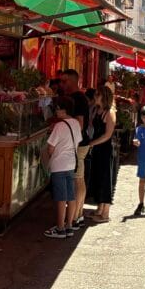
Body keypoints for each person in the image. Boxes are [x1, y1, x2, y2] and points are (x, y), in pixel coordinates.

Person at [44, 96, 83, 239]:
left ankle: (60, 228)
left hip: (59, 164)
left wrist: (48, 157)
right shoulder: (76, 123)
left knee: (60, 197)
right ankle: (69, 226)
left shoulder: (59, 126)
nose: (56, 111)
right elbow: (77, 142)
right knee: (70, 195)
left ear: (63, 110)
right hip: (71, 163)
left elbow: (50, 148)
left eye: (57, 108)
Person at [60, 69, 91, 229]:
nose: (61, 84)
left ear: (73, 81)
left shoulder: (77, 99)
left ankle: (77, 215)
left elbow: (79, 123)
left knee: (77, 179)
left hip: (78, 144)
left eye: (64, 81)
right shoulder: (78, 98)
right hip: (80, 143)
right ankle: (78, 214)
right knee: (79, 178)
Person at [86, 83, 117, 222]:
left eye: (97, 94)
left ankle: (105, 213)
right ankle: (99, 208)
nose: (95, 96)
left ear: (103, 96)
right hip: (97, 148)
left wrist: (92, 143)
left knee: (105, 179)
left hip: (105, 149)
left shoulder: (110, 112)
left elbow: (108, 135)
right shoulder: (97, 110)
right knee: (97, 178)